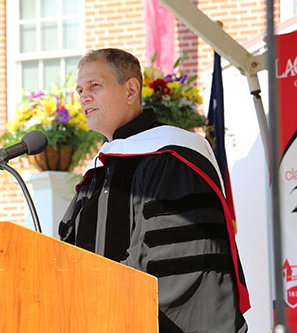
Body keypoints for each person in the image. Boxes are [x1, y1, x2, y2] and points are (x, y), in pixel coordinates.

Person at [58, 48, 250, 332]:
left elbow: (175, 260)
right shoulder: (96, 173)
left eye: (94, 86)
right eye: (80, 90)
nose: (83, 97)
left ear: (131, 90)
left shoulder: (171, 156)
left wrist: (111, 304)